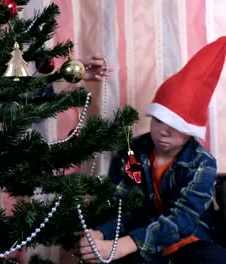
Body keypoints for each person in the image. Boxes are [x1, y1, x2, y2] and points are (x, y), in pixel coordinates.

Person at [79, 36, 226, 263]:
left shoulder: (202, 163)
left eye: (175, 126)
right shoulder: (132, 152)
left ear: (190, 131)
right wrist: (101, 233)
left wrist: (123, 246)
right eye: (158, 121)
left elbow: (182, 219)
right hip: (141, 233)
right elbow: (123, 204)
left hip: (189, 240)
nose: (163, 132)